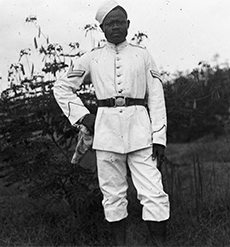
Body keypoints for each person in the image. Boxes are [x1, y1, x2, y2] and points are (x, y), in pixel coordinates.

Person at [53, 0, 169, 245]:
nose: (115, 27)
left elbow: (156, 96)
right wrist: (84, 116)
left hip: (141, 133)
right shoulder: (91, 58)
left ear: (128, 25)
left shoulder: (143, 55)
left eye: (120, 22)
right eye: (110, 23)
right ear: (102, 28)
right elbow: (62, 87)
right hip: (106, 133)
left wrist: (159, 137)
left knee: (154, 194)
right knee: (113, 195)